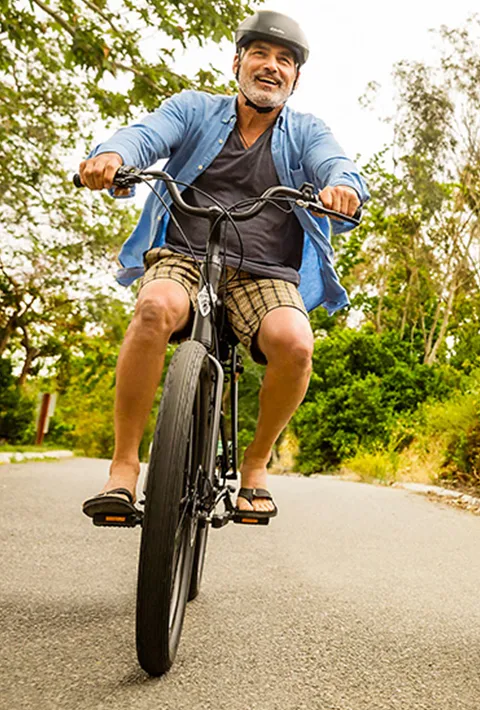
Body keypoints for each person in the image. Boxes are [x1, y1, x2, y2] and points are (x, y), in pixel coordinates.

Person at [78, 10, 368, 520]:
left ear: (295, 78)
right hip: (184, 256)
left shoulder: (305, 131)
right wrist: (113, 155)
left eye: (285, 60)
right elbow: (144, 135)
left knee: (297, 344)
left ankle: (255, 466)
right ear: (238, 62)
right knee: (152, 308)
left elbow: (334, 163)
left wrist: (342, 188)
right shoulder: (194, 110)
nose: (271, 66)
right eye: (260, 53)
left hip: (265, 272)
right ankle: (124, 468)